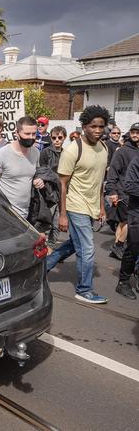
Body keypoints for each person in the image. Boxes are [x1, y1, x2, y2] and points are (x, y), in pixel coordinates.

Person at [44, 105, 110, 304]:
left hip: (91, 206)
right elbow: (62, 184)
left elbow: (99, 181)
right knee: (88, 248)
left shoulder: (104, 147)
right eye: (93, 126)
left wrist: (101, 207)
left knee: (76, 244)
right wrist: (63, 214)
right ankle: (84, 289)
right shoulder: (73, 150)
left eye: (101, 126)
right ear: (83, 126)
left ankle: (42, 267)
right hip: (75, 205)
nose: (97, 130)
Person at [0, 116, 43, 218]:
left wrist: (39, 180)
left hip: (26, 214)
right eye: (27, 134)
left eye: (34, 134)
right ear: (17, 133)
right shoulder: (1, 155)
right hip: (4, 215)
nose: (31, 137)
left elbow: (35, 175)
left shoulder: (36, 153)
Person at [105, 123, 139, 263]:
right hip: (123, 192)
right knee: (128, 222)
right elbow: (113, 171)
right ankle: (119, 245)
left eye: (138, 132)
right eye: (133, 131)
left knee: (122, 222)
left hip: (133, 193)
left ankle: (117, 247)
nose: (135, 134)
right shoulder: (123, 151)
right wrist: (112, 191)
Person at [116, 154, 139, 300]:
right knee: (134, 247)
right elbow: (129, 186)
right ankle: (123, 282)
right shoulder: (137, 160)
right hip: (137, 212)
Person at [40, 125, 67, 246]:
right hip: (48, 193)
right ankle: (43, 247)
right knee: (45, 222)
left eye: (60, 137)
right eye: (54, 137)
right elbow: (42, 171)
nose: (57, 140)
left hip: (62, 192)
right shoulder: (45, 152)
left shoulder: (67, 154)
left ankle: (51, 247)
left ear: (64, 138)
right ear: (50, 138)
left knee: (57, 224)